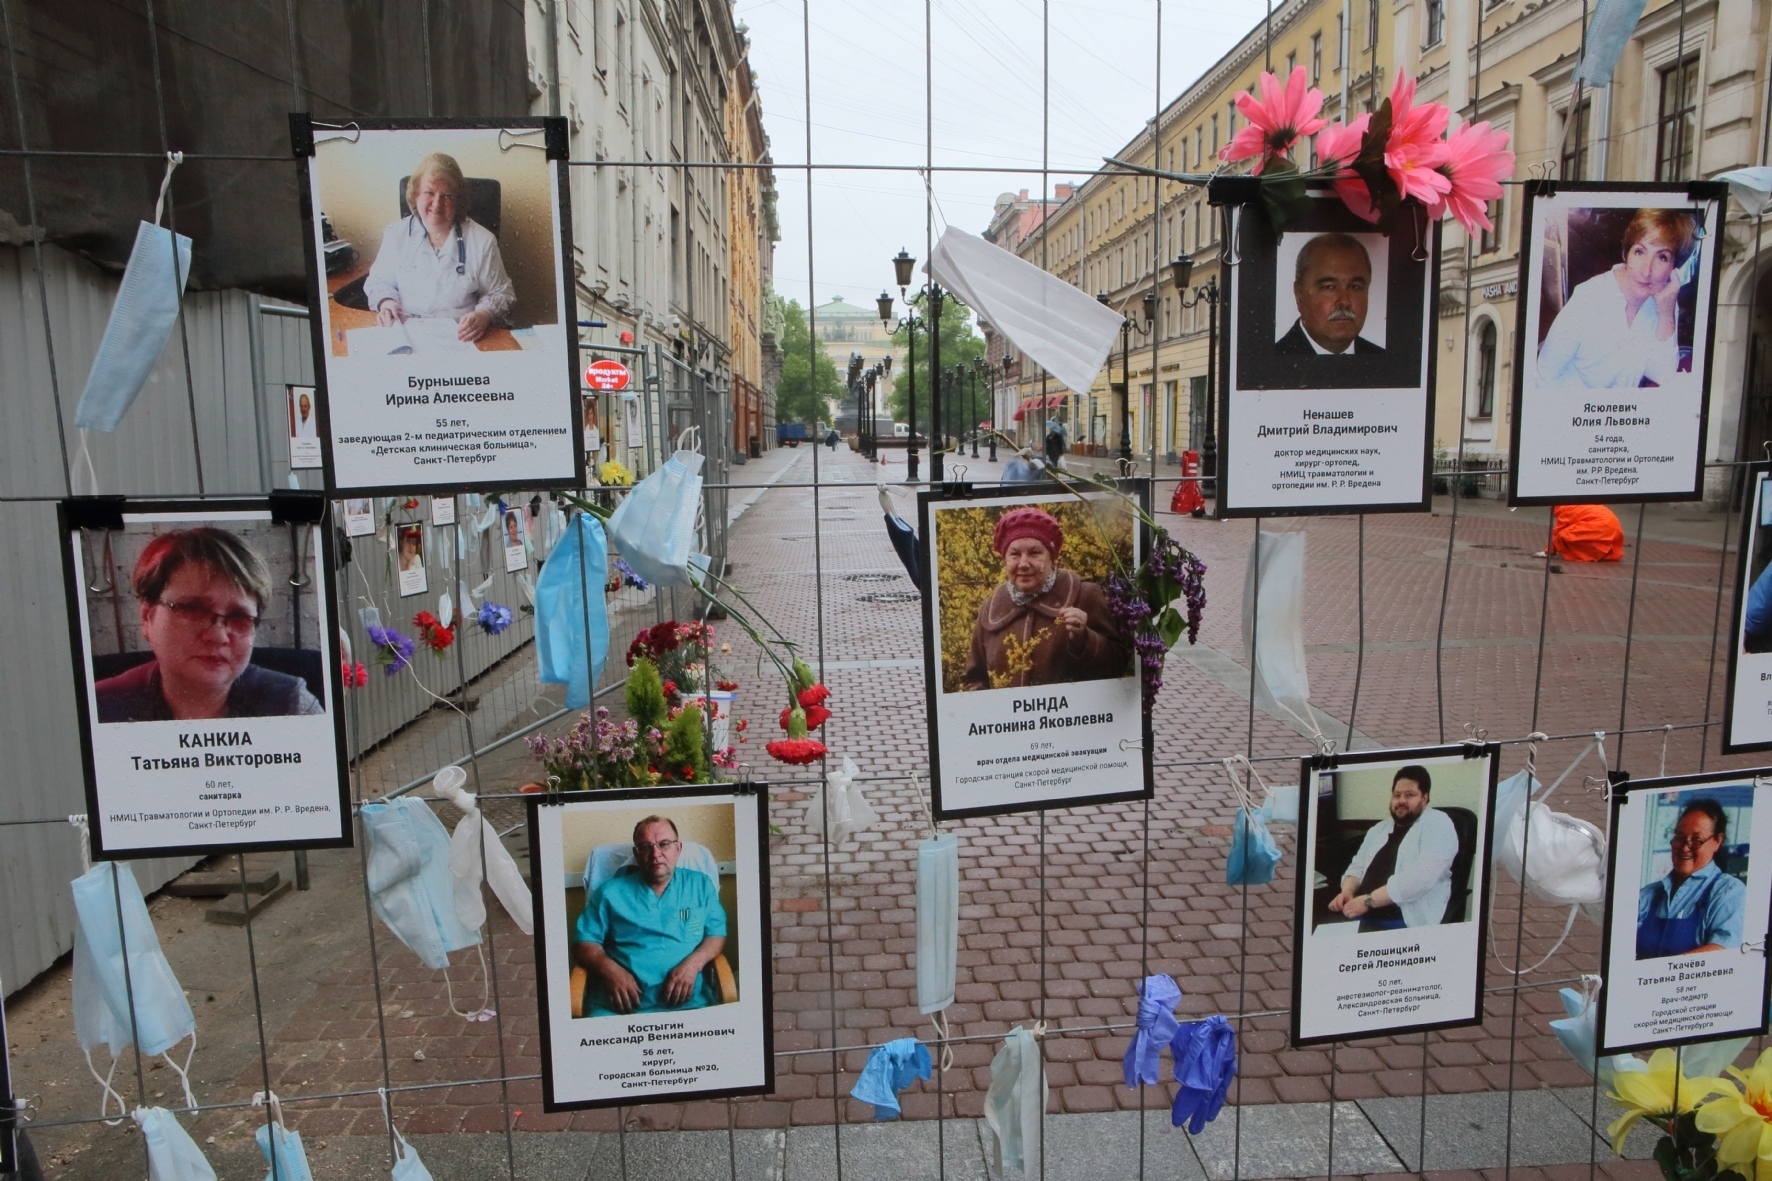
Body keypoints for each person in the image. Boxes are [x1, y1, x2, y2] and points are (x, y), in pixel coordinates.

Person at [95, 528, 324, 722]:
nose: (218, 636)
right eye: (193, 610)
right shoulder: (99, 710)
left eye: (239, 617)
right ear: (147, 616)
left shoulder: (292, 706)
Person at [960, 506, 1130, 691]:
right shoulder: (992, 605)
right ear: (1005, 559)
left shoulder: (1084, 594)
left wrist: (1084, 638)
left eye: (1035, 553)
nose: (1024, 564)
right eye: (1014, 554)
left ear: (1052, 558)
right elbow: (974, 676)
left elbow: (1118, 666)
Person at [573, 816, 728, 1015]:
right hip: (619, 1008)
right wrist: (610, 970)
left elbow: (715, 935)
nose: (656, 854)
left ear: (678, 849)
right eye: (646, 847)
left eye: (664, 844)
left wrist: (693, 965)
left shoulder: (700, 886)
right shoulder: (610, 893)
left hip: (689, 1006)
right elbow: (583, 944)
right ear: (636, 854)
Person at [362, 152, 515, 343]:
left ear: (458, 201)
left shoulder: (482, 241)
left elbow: (501, 294)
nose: (437, 203)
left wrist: (484, 315)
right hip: (405, 335)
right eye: (429, 192)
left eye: (447, 196)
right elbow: (378, 282)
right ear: (415, 194)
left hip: (461, 338)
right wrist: (387, 302)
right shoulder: (396, 234)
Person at [1537, 209, 1697, 389]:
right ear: (1625, 253)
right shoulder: (1589, 297)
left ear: (1674, 268)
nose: (1646, 271)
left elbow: (1661, 374)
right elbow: (1544, 375)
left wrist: (1666, 313)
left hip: (1621, 414)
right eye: (1639, 252)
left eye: (1662, 257)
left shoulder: (1664, 300)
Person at [1327, 765, 1459, 932]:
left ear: (1424, 798)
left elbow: (1422, 877)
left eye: (1410, 795)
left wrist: (1369, 900)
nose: (1401, 800)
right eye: (1397, 795)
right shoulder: (1379, 829)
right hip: (1360, 912)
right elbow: (1357, 867)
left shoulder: (1438, 823)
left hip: (1401, 920)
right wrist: (1347, 891)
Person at [1637, 798, 1745, 959]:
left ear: (1717, 840)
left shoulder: (1729, 892)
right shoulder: (1649, 894)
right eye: (1679, 837)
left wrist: (1660, 976)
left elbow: (1725, 950)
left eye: (1696, 840)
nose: (1685, 847)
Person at [1276, 233, 1384, 355]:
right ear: (1299, 295)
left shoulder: (1382, 359)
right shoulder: (1271, 362)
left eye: (1355, 287)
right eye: (1329, 287)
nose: (1344, 301)